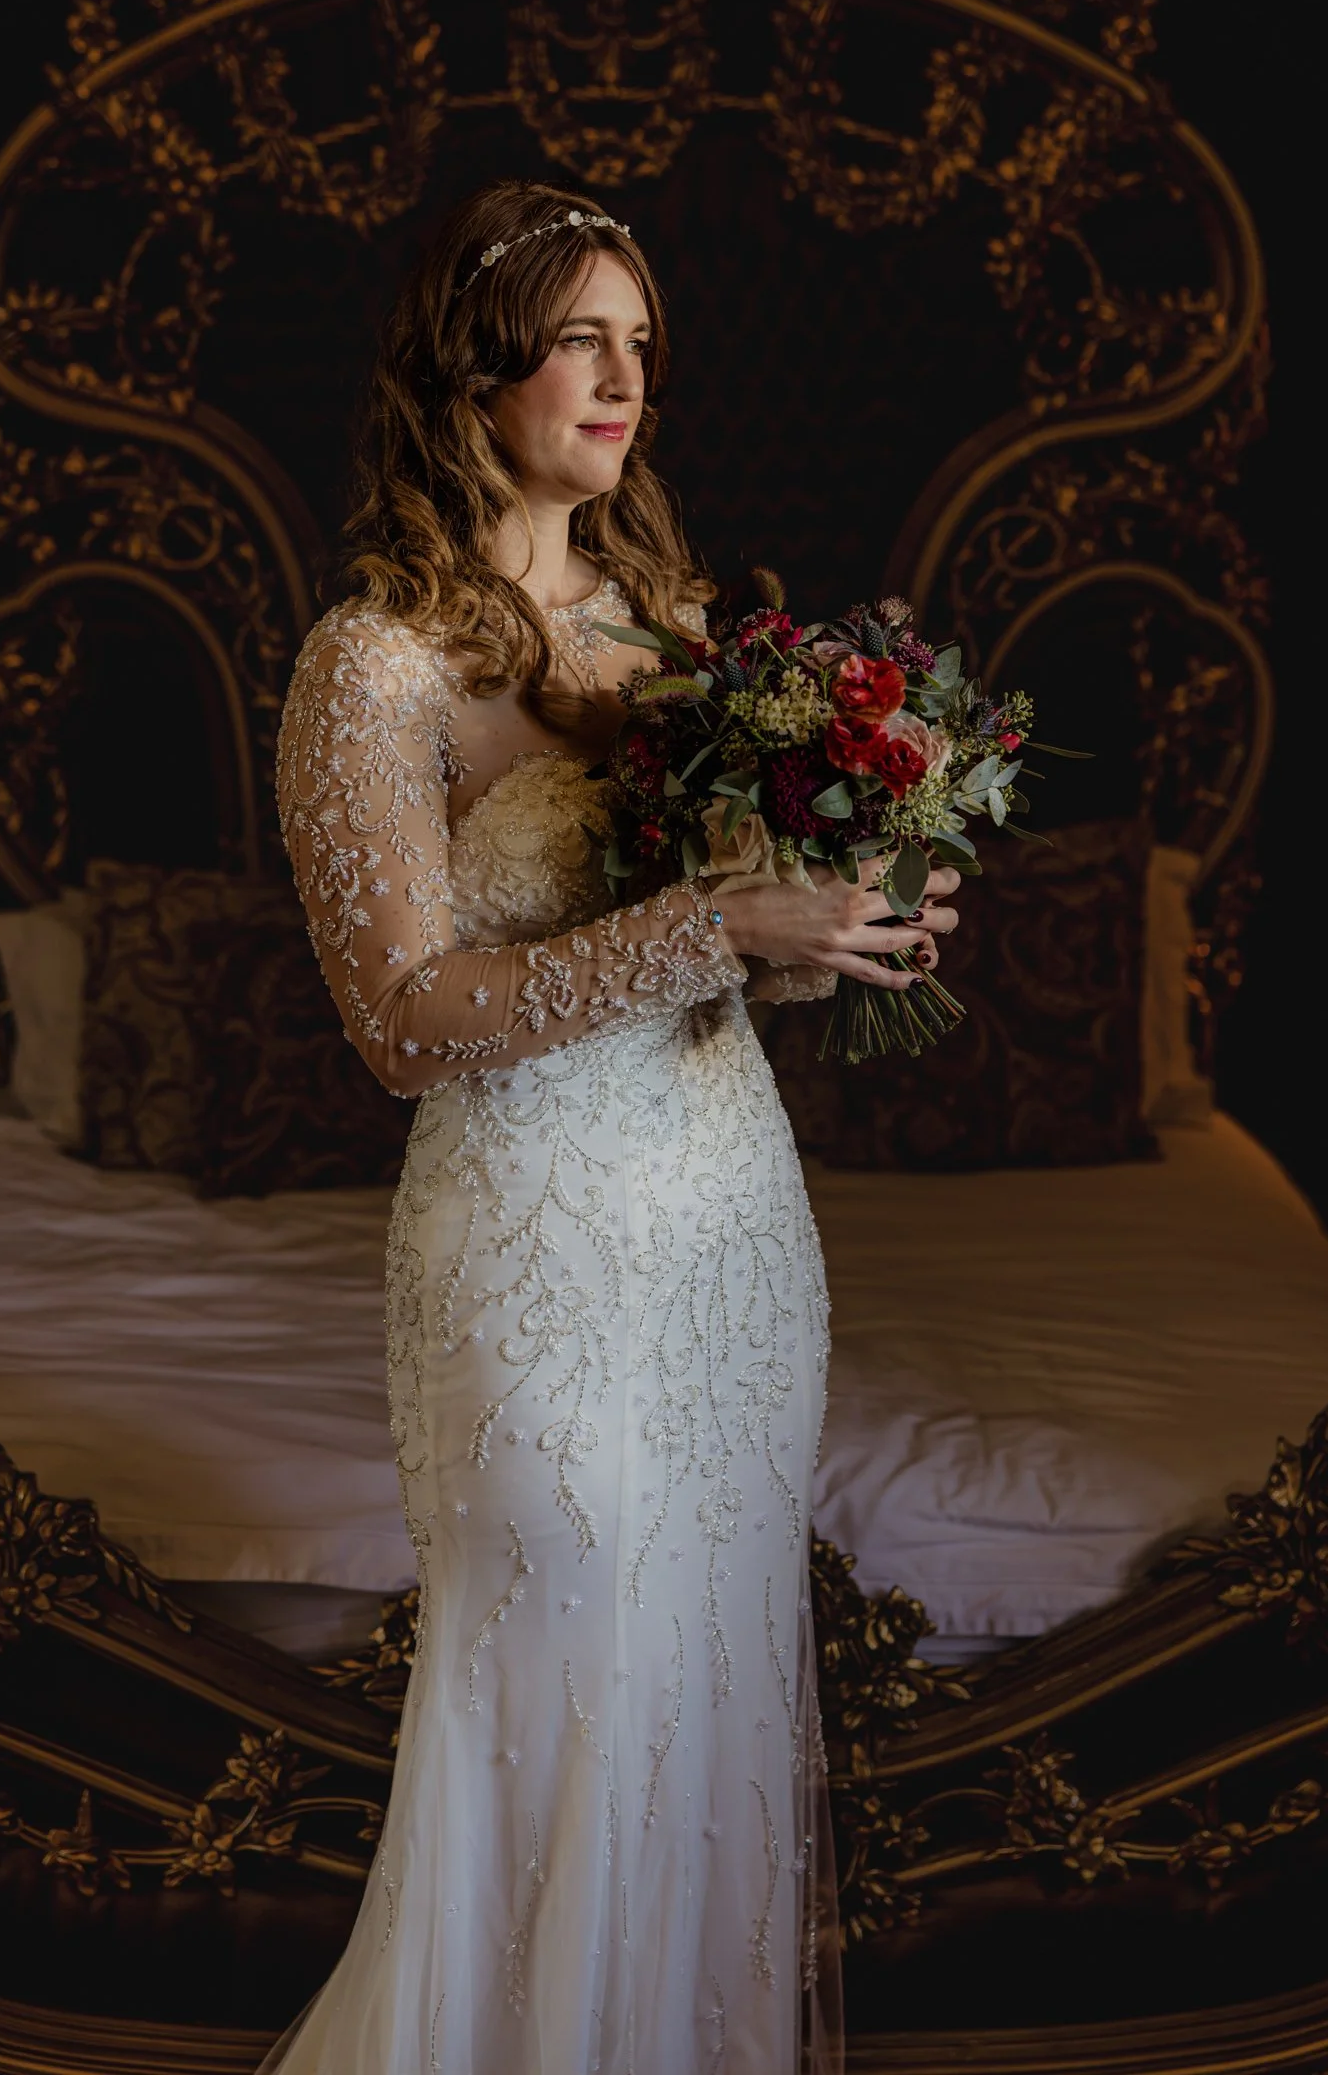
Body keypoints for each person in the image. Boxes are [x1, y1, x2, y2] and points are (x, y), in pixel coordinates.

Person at [266, 178, 960, 2074]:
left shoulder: (669, 626)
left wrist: (836, 931)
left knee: (702, 1706)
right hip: (532, 1244)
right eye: (579, 333)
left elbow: (716, 974)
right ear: (469, 361)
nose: (619, 374)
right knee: (559, 1692)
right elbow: (404, 1027)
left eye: (641, 341)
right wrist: (708, 921)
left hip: (726, 1228)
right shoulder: (375, 664)